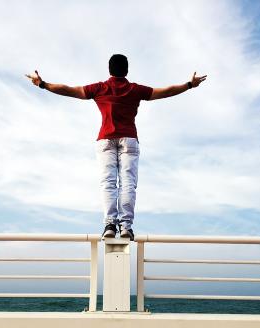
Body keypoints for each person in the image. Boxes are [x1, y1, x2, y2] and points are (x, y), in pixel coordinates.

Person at [26, 54, 206, 241]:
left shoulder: (100, 88)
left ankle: (110, 224)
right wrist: (189, 85)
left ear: (109, 70)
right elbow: (166, 91)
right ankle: (126, 226)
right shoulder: (135, 89)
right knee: (128, 183)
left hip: (105, 140)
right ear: (126, 70)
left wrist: (43, 84)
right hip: (129, 139)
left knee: (108, 183)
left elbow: (68, 90)